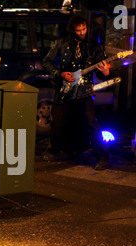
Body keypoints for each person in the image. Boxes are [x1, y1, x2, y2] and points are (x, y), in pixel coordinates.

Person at [42, 14, 115, 170]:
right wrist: (60, 74)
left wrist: (106, 72)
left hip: (84, 89)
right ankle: (54, 149)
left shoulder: (94, 46)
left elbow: (102, 72)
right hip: (65, 88)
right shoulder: (61, 43)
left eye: (84, 29)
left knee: (91, 123)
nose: (82, 33)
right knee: (58, 122)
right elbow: (46, 62)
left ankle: (102, 157)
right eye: (78, 30)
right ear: (72, 29)